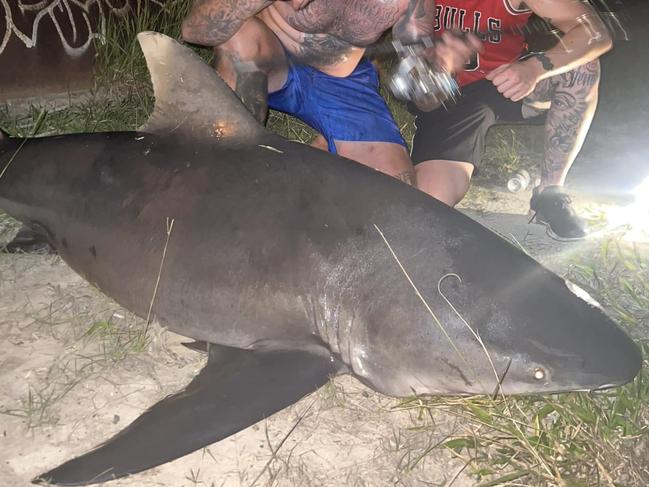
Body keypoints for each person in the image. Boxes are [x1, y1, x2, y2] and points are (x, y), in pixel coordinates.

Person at [180, 0, 479, 186]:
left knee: (393, 188)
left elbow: (424, 98)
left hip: (344, 80)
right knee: (240, 41)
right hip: (268, 58)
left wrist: (442, 70)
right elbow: (194, 30)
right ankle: (225, 167)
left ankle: (316, 152)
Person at [410, 0, 613, 240]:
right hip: (449, 96)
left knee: (583, 68)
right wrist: (439, 68)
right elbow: (417, 92)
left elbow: (596, 32)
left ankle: (550, 192)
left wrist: (534, 69)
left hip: (506, 80)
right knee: (430, 206)